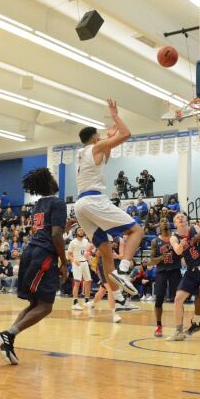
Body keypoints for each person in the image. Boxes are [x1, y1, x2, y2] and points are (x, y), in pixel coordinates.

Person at [0, 168, 68, 365]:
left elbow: (50, 230)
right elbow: (55, 235)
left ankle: (8, 339)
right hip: (44, 255)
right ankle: (8, 333)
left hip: (31, 253)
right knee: (46, 307)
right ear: (49, 182)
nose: (54, 179)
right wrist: (64, 263)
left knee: (35, 304)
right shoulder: (59, 202)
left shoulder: (38, 204)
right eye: (52, 177)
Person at [72, 99, 143, 306]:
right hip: (94, 200)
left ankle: (119, 298)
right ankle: (124, 269)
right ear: (94, 138)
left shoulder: (83, 153)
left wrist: (109, 141)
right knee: (136, 231)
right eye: (100, 136)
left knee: (105, 253)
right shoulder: (94, 148)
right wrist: (114, 116)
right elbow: (127, 134)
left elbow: (104, 159)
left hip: (80, 206)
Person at [146, 218, 183, 337]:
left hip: (175, 271)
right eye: (162, 220)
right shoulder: (155, 241)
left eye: (167, 220)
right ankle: (158, 326)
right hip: (161, 272)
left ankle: (179, 328)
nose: (165, 222)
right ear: (159, 225)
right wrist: (162, 257)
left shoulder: (176, 238)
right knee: (159, 300)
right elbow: (152, 260)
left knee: (178, 300)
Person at [67, 227, 92, 310]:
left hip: (85, 262)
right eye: (79, 230)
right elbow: (69, 255)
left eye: (82, 230)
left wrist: (90, 261)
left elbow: (88, 252)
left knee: (88, 281)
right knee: (77, 282)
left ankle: (87, 301)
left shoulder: (86, 241)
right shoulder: (72, 242)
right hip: (77, 263)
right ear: (76, 232)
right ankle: (75, 303)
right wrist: (74, 260)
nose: (81, 231)